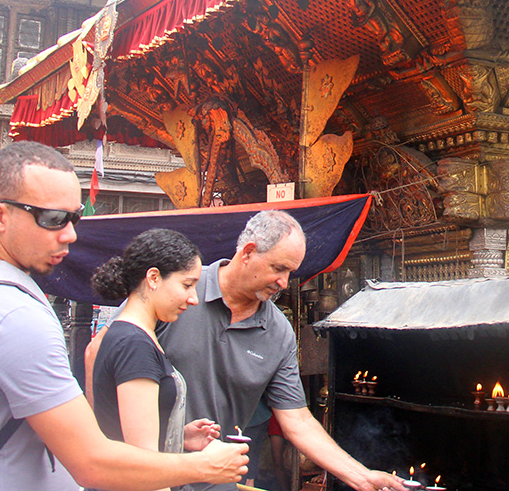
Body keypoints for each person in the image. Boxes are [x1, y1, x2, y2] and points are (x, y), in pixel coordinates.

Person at [0, 141, 249, 491]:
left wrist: (178, 442)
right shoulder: (12, 316)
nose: (71, 234)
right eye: (54, 219)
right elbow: (92, 462)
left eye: (74, 218)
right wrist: (203, 466)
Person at [90, 210, 404, 491]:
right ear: (248, 253)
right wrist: (109, 446)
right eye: (278, 268)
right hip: (146, 475)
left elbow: (297, 420)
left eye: (290, 273)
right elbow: (102, 352)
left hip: (215, 478)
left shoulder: (278, 330)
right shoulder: (179, 292)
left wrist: (362, 477)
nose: (284, 282)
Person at [89, 228, 220, 458]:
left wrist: (178, 435)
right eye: (187, 285)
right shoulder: (134, 345)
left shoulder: (132, 336)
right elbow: (144, 461)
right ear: (153, 278)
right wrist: (208, 465)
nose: (194, 299)